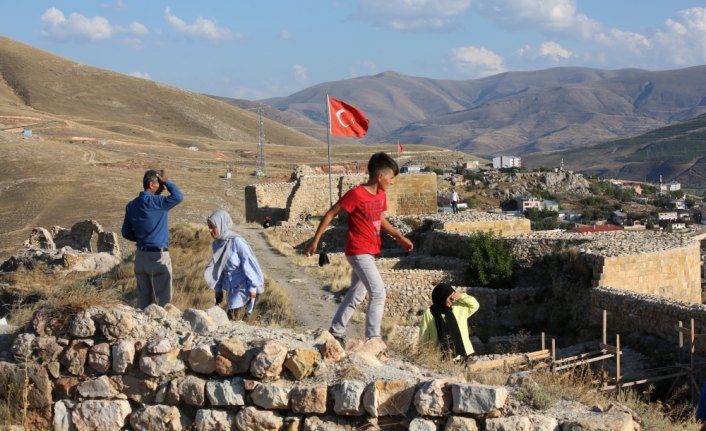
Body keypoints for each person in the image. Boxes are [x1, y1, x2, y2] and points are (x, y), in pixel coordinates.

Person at [305, 152, 413, 346]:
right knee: (378, 292)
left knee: (357, 293)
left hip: (371, 252)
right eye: (391, 178)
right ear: (380, 176)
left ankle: (336, 331)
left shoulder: (380, 195)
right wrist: (316, 240)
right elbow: (330, 214)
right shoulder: (356, 194)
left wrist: (398, 237)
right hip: (358, 251)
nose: (392, 182)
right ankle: (373, 337)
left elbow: (379, 218)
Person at [122, 169, 183, 309]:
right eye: (160, 184)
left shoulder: (131, 205)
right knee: (164, 302)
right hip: (158, 256)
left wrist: (141, 238)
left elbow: (125, 232)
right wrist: (167, 181)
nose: (162, 189)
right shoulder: (158, 202)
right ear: (151, 184)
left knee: (144, 302)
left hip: (141, 257)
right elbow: (178, 196)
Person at [205, 210, 265, 320]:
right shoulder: (216, 244)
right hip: (232, 289)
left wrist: (252, 287)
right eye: (209, 227)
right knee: (232, 318)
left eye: (212, 227)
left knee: (234, 318)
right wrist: (218, 289)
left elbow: (249, 263)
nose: (209, 230)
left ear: (221, 225)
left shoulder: (237, 241)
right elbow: (219, 268)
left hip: (245, 288)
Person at [419, 283, 480, 361]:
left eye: (453, 297)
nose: (453, 300)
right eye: (450, 298)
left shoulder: (459, 308)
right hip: (439, 357)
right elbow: (424, 335)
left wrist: (461, 296)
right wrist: (423, 355)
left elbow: (475, 305)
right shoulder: (429, 313)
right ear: (441, 298)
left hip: (461, 355)